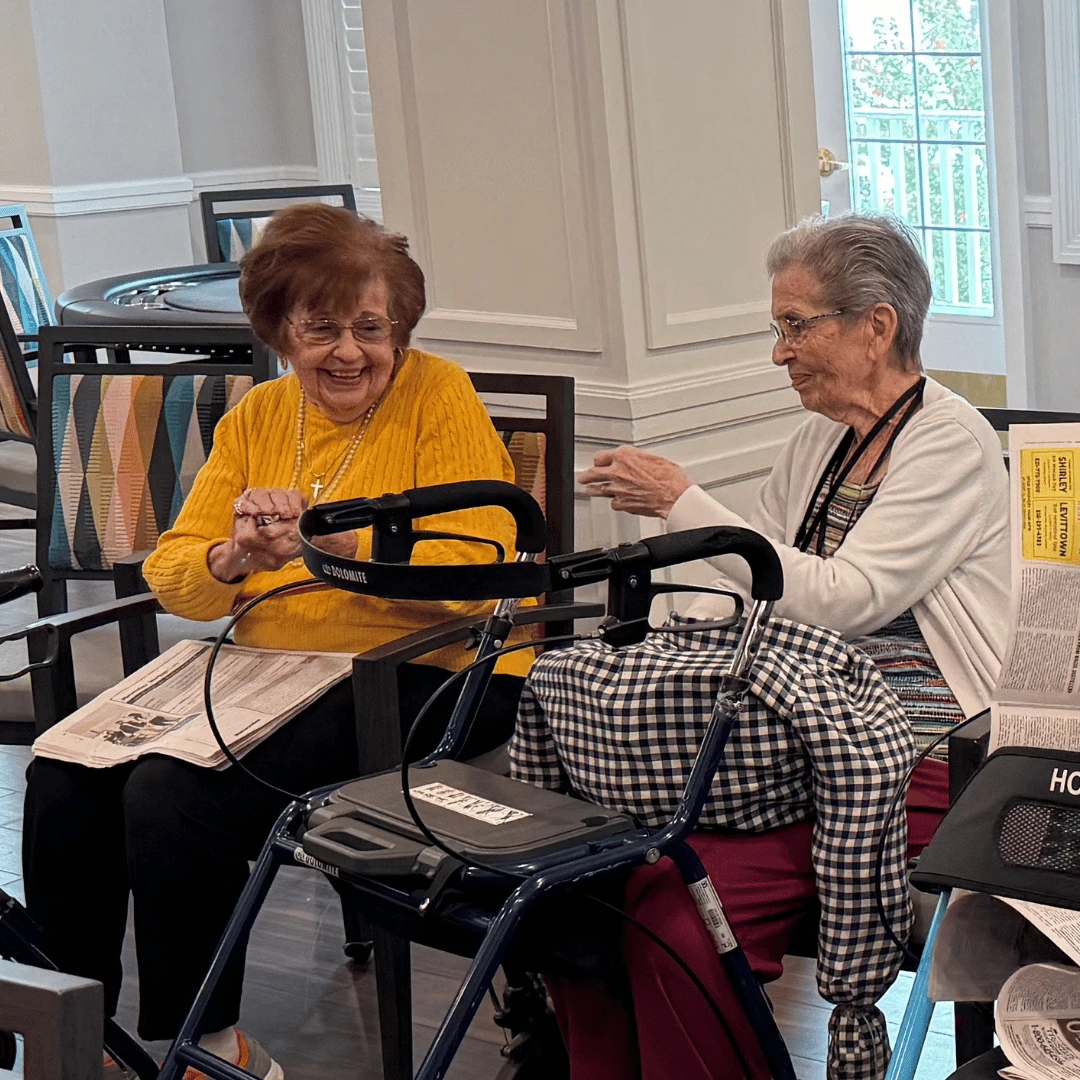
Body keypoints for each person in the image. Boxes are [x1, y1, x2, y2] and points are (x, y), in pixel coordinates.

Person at [22, 205, 532, 1079]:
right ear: (280, 328)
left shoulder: (435, 394)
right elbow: (177, 573)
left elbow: (482, 560)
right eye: (321, 327)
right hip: (275, 668)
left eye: (370, 329)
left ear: (399, 327)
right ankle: (84, 1041)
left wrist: (345, 551)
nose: (347, 351)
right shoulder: (260, 414)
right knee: (63, 780)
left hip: (428, 668)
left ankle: (211, 1046)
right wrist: (233, 556)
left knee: (170, 795)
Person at [568, 213, 1010, 1079]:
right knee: (615, 894)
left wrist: (684, 503)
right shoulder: (822, 439)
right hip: (804, 736)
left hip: (920, 752)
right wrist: (677, 628)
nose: (779, 352)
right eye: (780, 328)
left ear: (876, 324)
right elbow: (746, 578)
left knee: (673, 905)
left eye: (795, 326)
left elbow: (846, 600)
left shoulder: (949, 441)